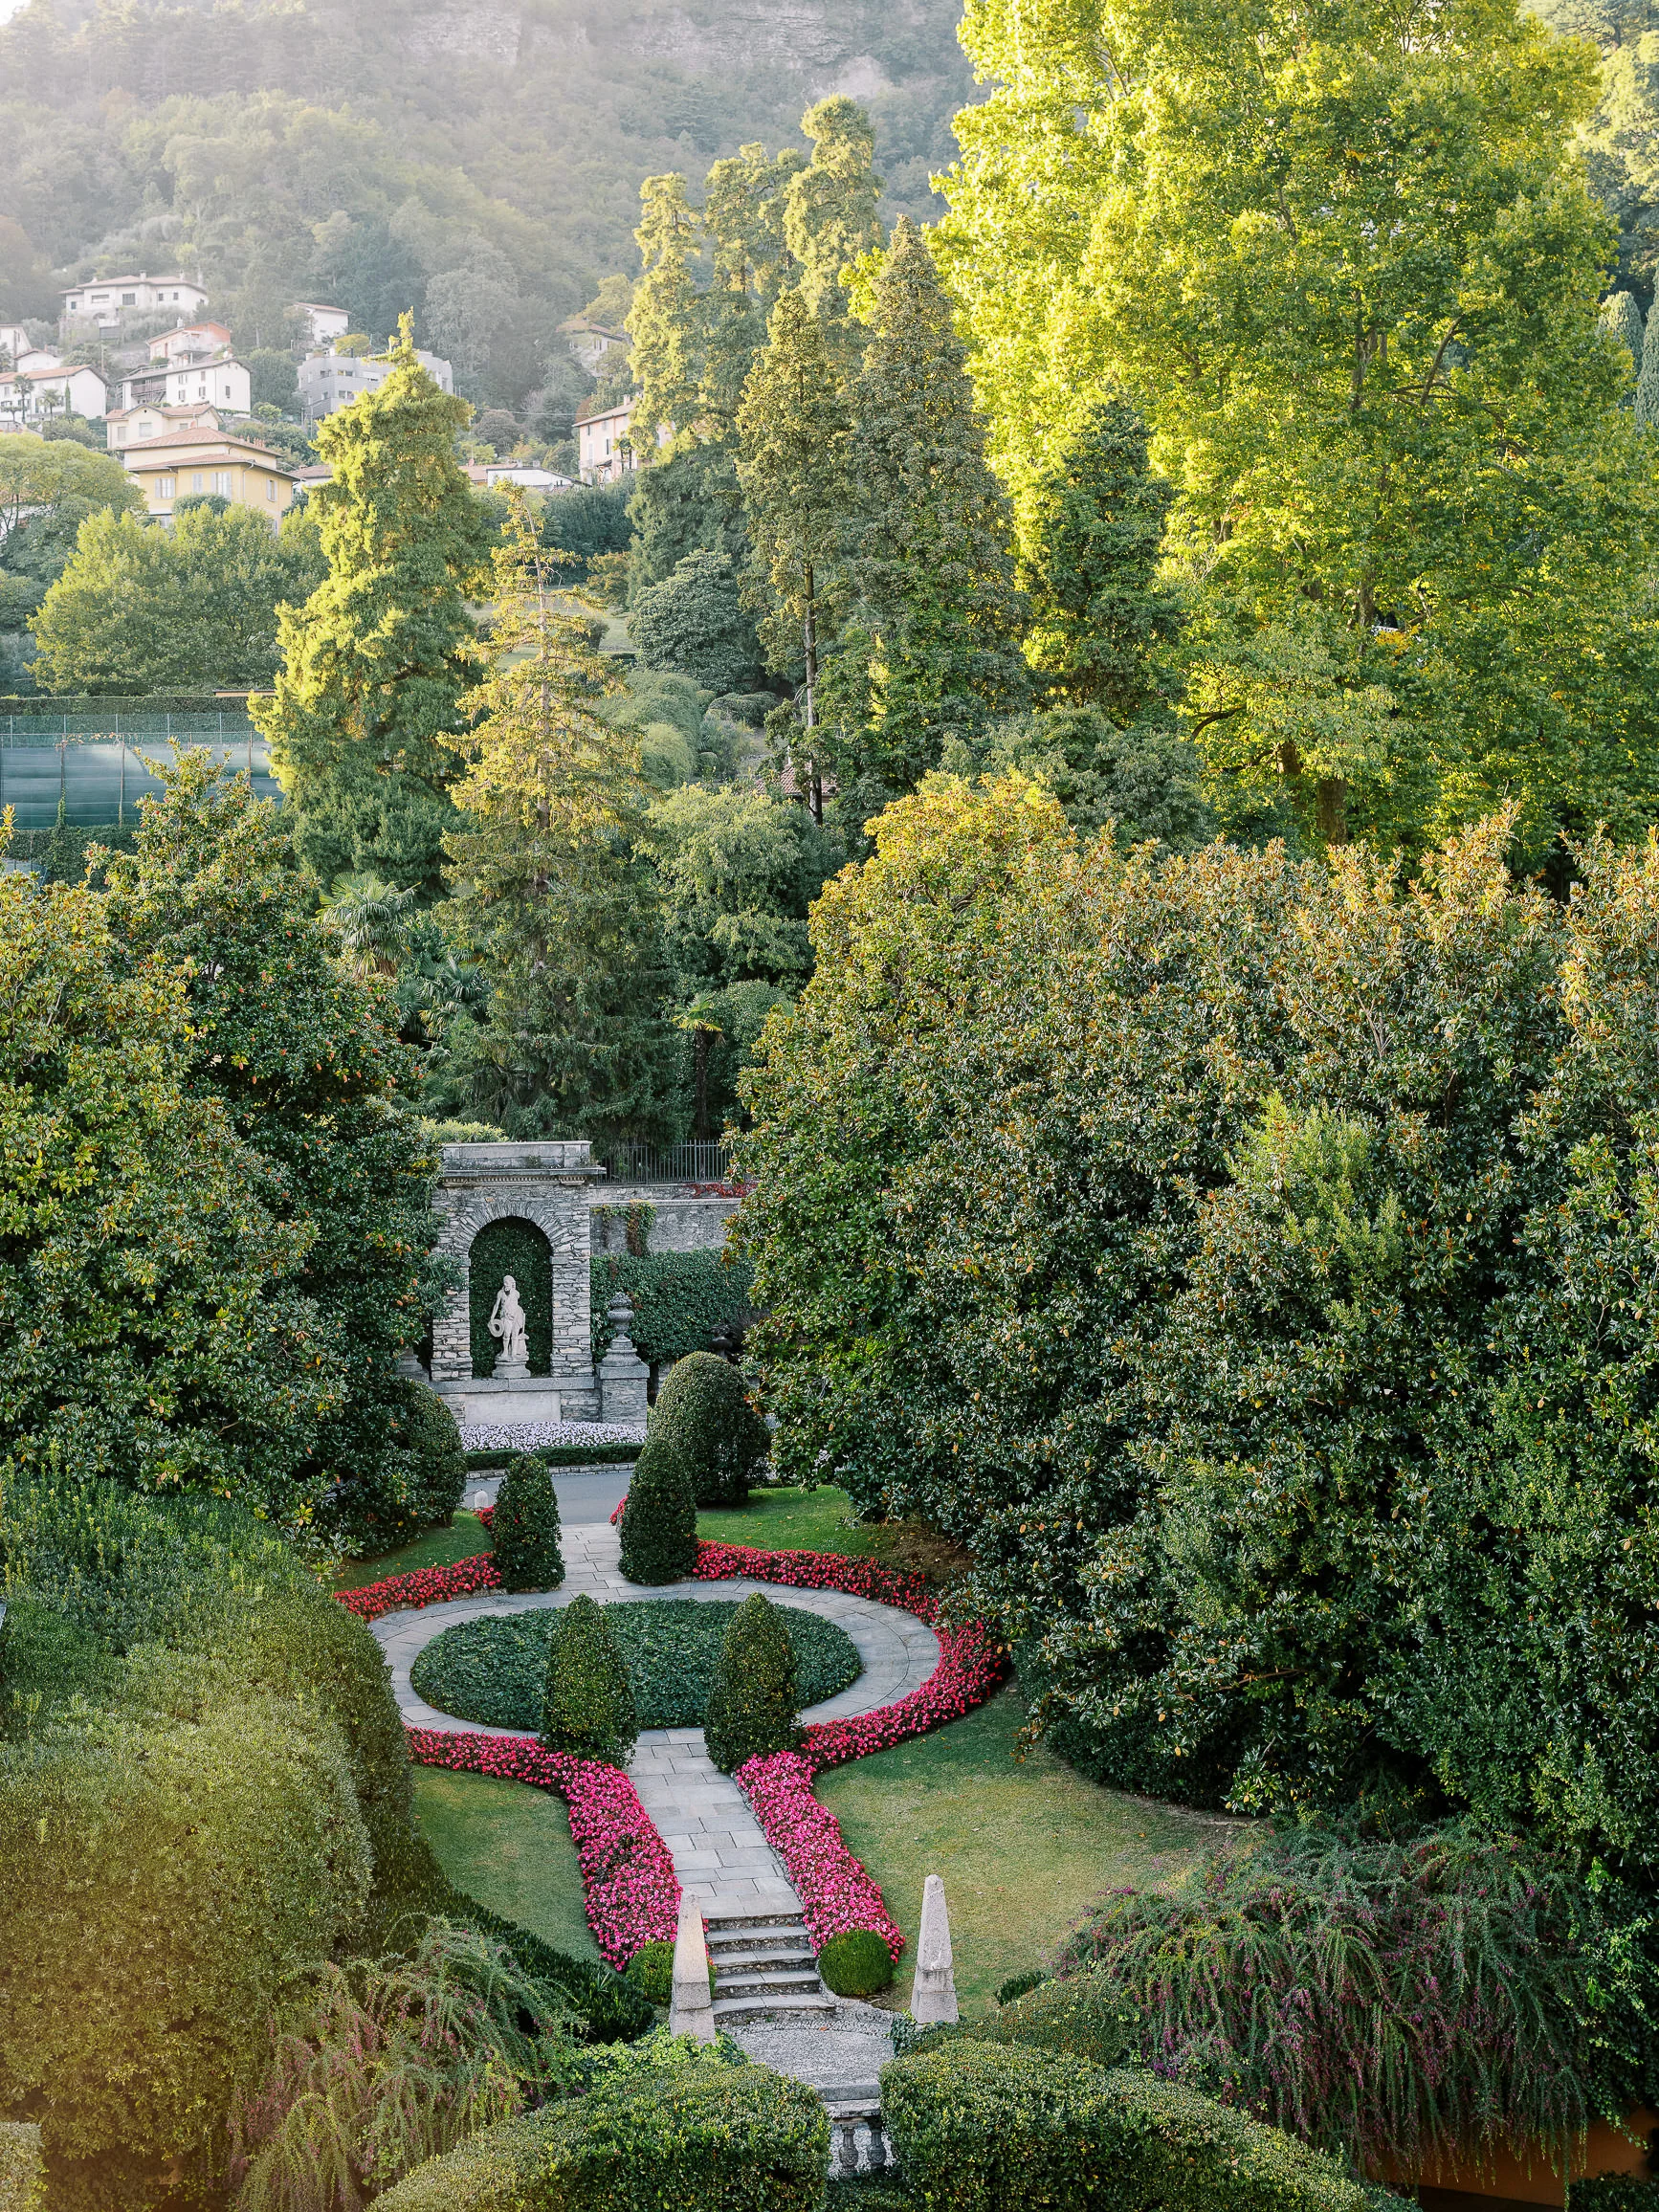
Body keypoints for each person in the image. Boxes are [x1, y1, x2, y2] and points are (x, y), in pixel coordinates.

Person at [489, 1274, 528, 1364]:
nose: (505, 1284)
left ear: (511, 1283)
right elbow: (496, 1305)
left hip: (516, 1316)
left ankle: (513, 1353)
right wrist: (492, 1317)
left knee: (515, 1334)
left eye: (507, 1283)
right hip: (505, 1316)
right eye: (504, 1283)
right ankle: (505, 1351)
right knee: (506, 1334)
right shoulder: (500, 1293)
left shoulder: (516, 1293)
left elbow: (515, 1305)